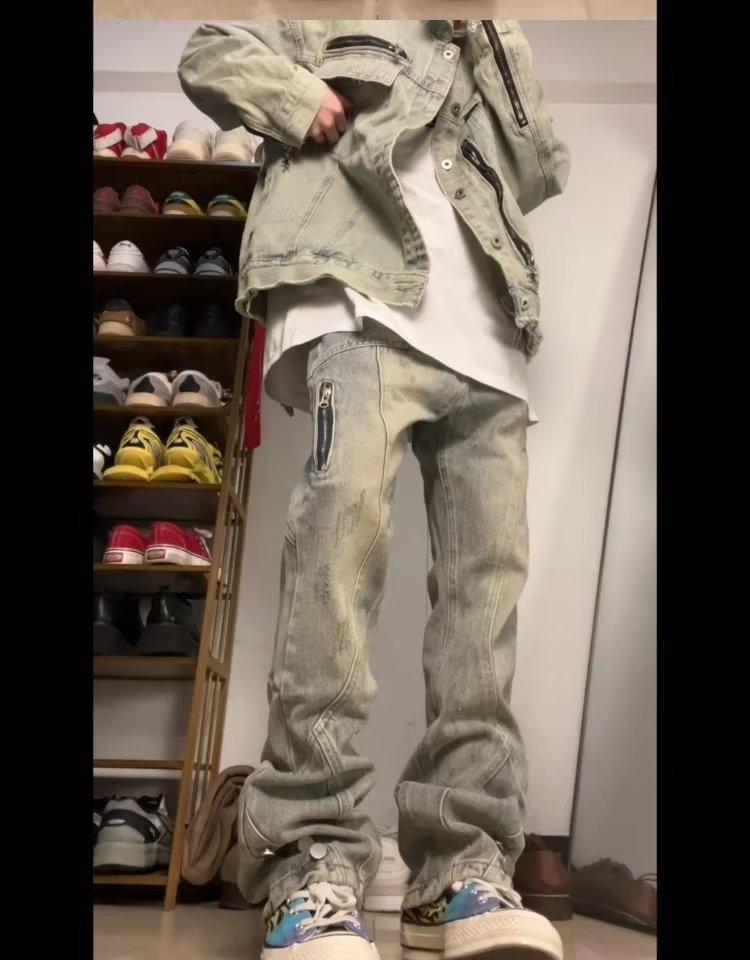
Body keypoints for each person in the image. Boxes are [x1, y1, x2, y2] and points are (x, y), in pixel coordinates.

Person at [180, 18, 570, 960]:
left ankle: (462, 869)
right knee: (335, 567)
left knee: (485, 598)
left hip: (491, 329)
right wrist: (295, 97)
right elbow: (206, 51)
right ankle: (311, 861)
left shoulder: (488, 33)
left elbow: (539, 167)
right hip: (357, 292)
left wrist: (495, 37)